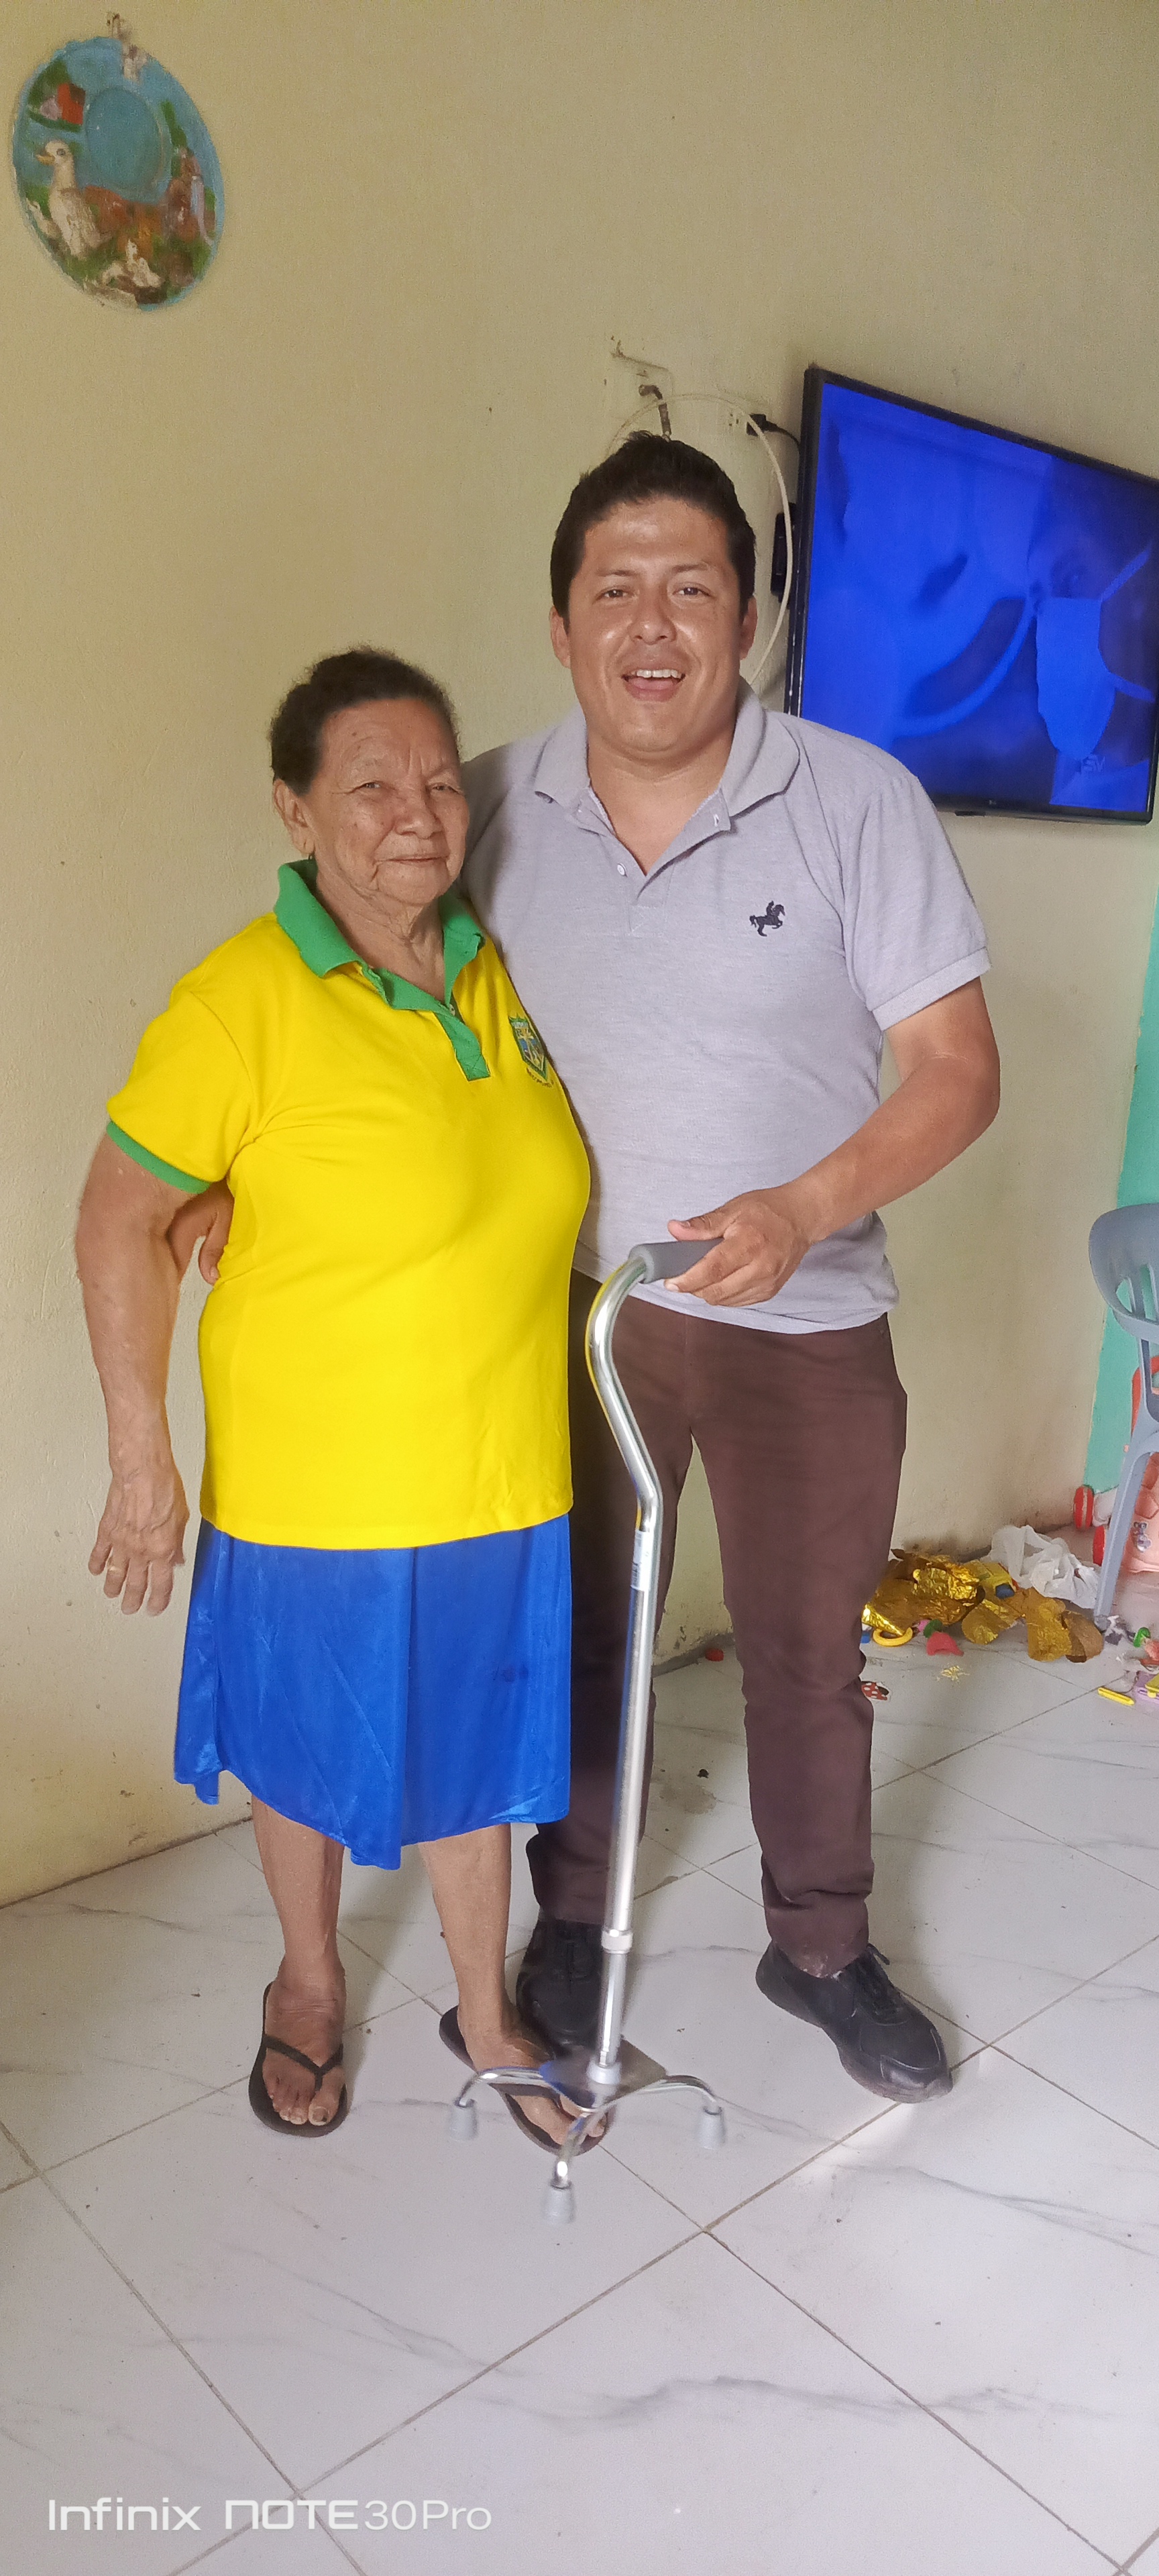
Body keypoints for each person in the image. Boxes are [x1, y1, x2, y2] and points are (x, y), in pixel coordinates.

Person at [461, 434, 1001, 2102]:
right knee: (583, 1630)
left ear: (747, 622)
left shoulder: (856, 799)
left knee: (804, 1653)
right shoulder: (487, 804)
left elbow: (958, 1070)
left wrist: (805, 1205)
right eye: (615, 589)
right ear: (561, 624)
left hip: (806, 1323)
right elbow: (363, 1014)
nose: (653, 625)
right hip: (580, 1315)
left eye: (691, 588)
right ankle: (572, 1914)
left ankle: (820, 1943)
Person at [75, 650, 593, 2147]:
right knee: (304, 1752)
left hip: (502, 1473)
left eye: (437, 781)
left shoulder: (491, 971)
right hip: (319, 1487)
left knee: (476, 1758)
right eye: (371, 787)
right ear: (296, 813)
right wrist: (142, 1463)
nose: (417, 813)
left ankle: (485, 2015)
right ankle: (307, 1982)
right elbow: (116, 1217)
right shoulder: (242, 998)